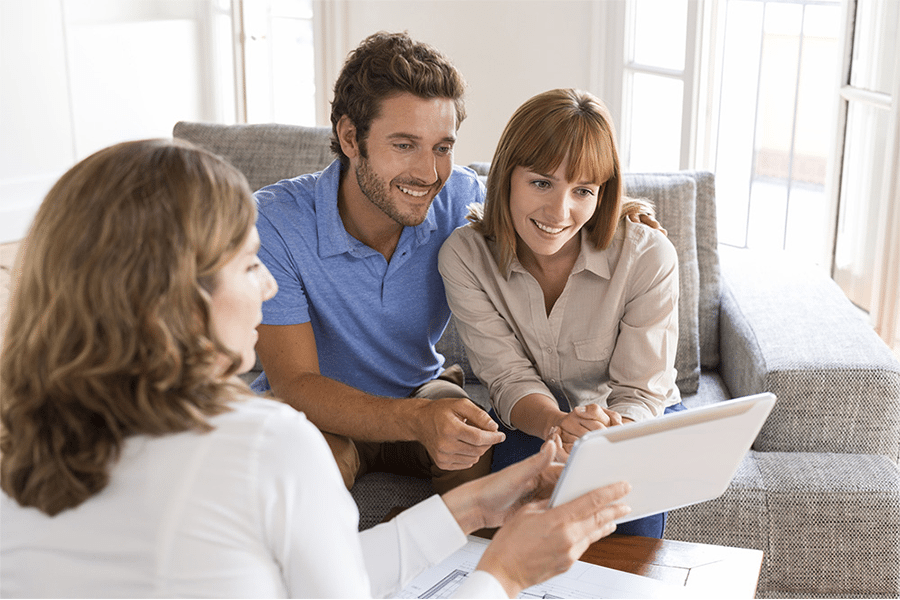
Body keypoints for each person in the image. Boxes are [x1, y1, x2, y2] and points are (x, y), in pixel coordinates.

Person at [0, 138, 633, 599]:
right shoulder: (262, 444)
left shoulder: (22, 440)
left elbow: (320, 576)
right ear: (178, 294)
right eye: (249, 265)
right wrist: (506, 574)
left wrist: (467, 509)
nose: (271, 285)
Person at [250, 31, 659, 492]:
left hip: (420, 388)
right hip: (318, 412)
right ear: (350, 137)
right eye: (404, 145)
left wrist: (617, 214)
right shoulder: (275, 223)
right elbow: (295, 384)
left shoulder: (458, 197)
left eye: (442, 147)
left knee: (473, 438)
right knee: (313, 467)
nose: (428, 174)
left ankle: (452, 561)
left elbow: (533, 214)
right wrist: (417, 419)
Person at [438, 89, 685, 539]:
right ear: (507, 175)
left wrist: (606, 436)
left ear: (601, 194)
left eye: (583, 191)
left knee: (627, 523)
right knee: (515, 527)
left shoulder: (647, 256)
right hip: (536, 418)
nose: (559, 211)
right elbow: (509, 378)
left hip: (625, 419)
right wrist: (558, 424)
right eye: (541, 183)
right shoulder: (465, 256)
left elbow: (640, 391)